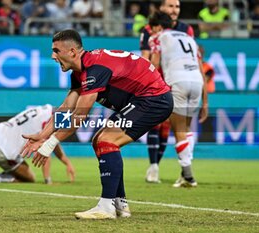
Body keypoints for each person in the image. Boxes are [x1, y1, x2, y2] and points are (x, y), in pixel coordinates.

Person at [20, 29, 173, 219]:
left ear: (73, 52)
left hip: (153, 99)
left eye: (56, 51)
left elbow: (79, 116)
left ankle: (106, 206)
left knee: (106, 141)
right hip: (145, 98)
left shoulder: (95, 69)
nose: (52, 56)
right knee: (99, 140)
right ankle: (119, 204)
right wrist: (43, 135)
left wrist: (50, 143)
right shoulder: (81, 71)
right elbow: (67, 107)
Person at [148, 12, 208, 188]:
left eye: (152, 28)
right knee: (187, 129)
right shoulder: (189, 38)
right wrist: (205, 101)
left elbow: (154, 64)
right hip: (196, 81)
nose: (152, 32)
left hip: (177, 81)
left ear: (158, 26)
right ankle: (185, 173)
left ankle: (188, 176)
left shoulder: (158, 38)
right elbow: (201, 68)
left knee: (178, 128)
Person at [139, 0, 195, 184]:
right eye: (170, 6)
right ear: (161, 8)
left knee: (170, 127)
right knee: (156, 124)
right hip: (159, 82)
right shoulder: (149, 29)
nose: (174, 10)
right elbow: (147, 59)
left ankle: (180, 169)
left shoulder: (187, 29)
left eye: (177, 6)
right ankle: (154, 166)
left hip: (176, 82)